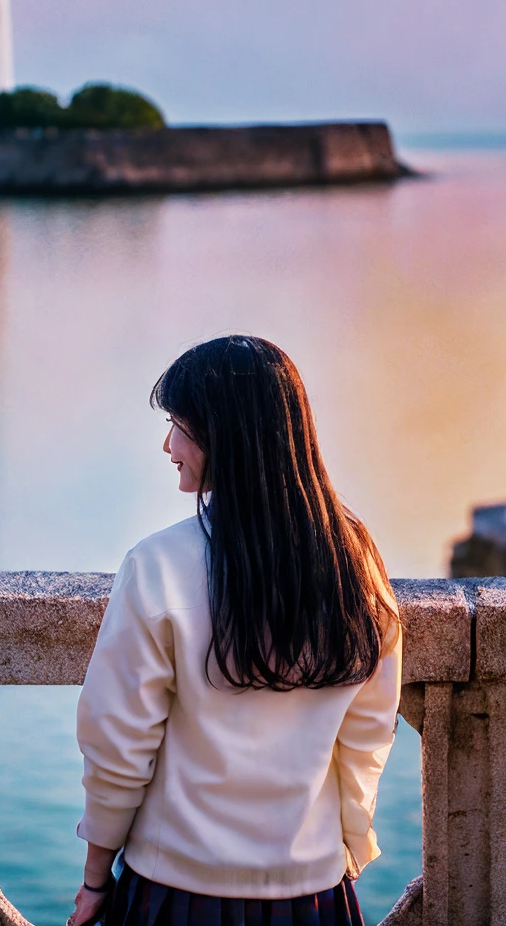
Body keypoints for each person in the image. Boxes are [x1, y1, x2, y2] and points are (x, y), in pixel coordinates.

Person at [69, 335, 402, 926]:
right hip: (314, 892)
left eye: (179, 426)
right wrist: (349, 844)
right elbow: (368, 735)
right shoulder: (357, 564)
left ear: (227, 435)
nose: (167, 445)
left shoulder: (157, 565)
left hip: (175, 890)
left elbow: (119, 750)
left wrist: (95, 878)